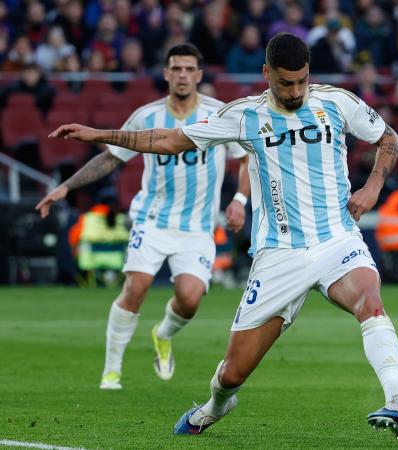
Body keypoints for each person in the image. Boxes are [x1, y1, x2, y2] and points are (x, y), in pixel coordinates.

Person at [48, 33, 398, 435]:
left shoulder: (337, 102)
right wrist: (100, 134)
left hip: (336, 239)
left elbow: (388, 139)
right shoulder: (243, 115)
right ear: (266, 73)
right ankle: (215, 406)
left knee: (370, 303)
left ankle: (396, 402)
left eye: (301, 81)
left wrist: (373, 186)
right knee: (232, 373)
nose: (295, 91)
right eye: (285, 83)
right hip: (279, 254)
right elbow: (171, 139)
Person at [37, 43, 251, 390]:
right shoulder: (146, 116)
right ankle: (111, 372)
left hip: (197, 226)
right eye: (176, 68)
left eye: (189, 69)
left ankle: (162, 335)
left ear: (199, 74)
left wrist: (240, 199)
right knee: (136, 286)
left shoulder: (217, 114)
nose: (182, 75)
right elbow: (112, 157)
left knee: (190, 299)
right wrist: (66, 186)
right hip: (152, 219)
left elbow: (245, 158)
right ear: (166, 73)